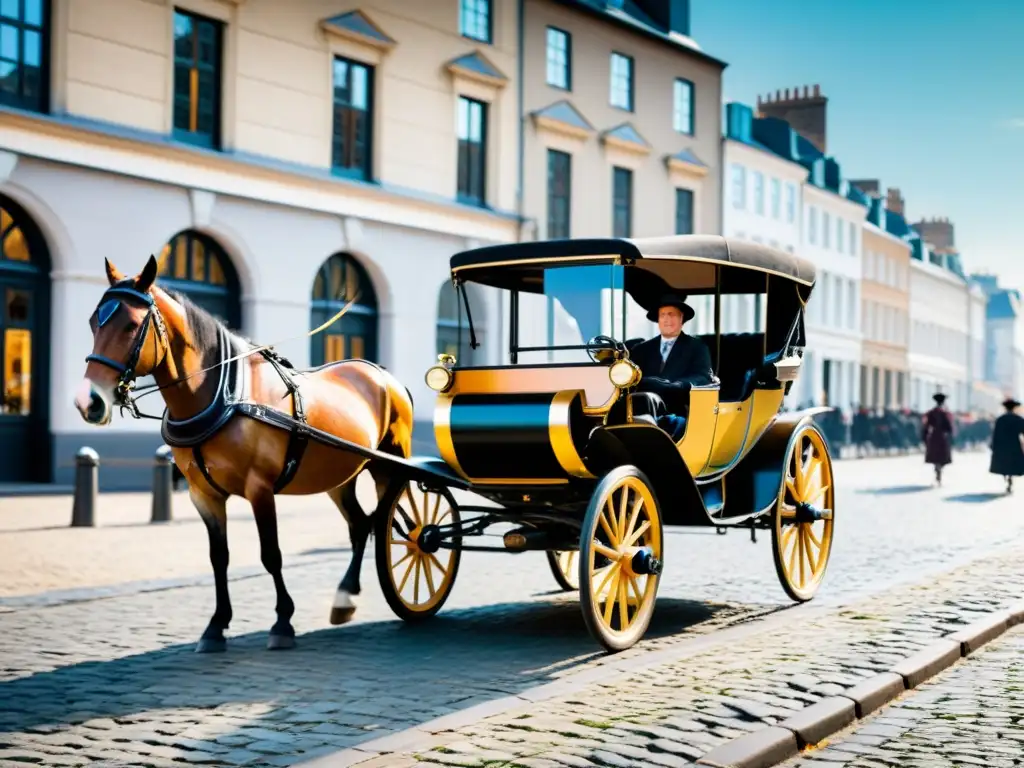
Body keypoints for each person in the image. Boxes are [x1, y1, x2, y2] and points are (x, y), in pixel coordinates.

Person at [630, 293, 715, 440]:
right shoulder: (640, 349)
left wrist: (676, 385)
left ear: (682, 318)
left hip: (679, 410)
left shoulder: (697, 347)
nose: (666, 319)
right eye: (662, 315)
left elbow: (703, 377)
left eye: (671, 315)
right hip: (641, 410)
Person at [989, 397, 1024, 494]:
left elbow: (995, 434)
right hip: (1014, 445)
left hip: (1002, 445)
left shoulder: (1000, 419)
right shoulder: (1018, 419)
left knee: (1004, 464)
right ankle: (1010, 479)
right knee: (1013, 464)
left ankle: (1007, 477)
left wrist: (993, 445)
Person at [922, 392, 954, 485]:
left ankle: (937, 470)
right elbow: (949, 427)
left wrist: (924, 437)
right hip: (943, 437)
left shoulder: (931, 413)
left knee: (935, 456)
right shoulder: (945, 413)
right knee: (942, 457)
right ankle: (939, 471)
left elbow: (926, 426)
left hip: (934, 436)